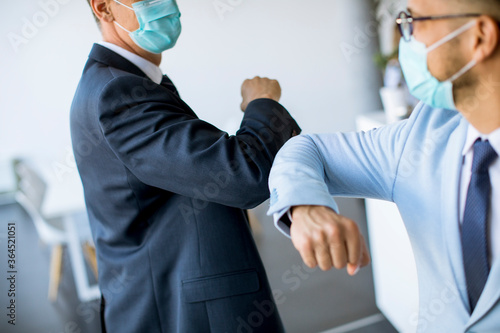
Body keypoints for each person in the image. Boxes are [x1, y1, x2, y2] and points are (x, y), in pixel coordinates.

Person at [268, 0, 500, 331]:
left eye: (416, 20)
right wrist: (306, 206)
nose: (408, 38)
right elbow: (307, 148)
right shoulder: (426, 133)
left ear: (479, 37)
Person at [71, 0, 300, 332]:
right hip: (174, 310)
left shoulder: (123, 81)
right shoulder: (117, 92)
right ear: (104, 8)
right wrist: (261, 103)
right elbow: (240, 173)